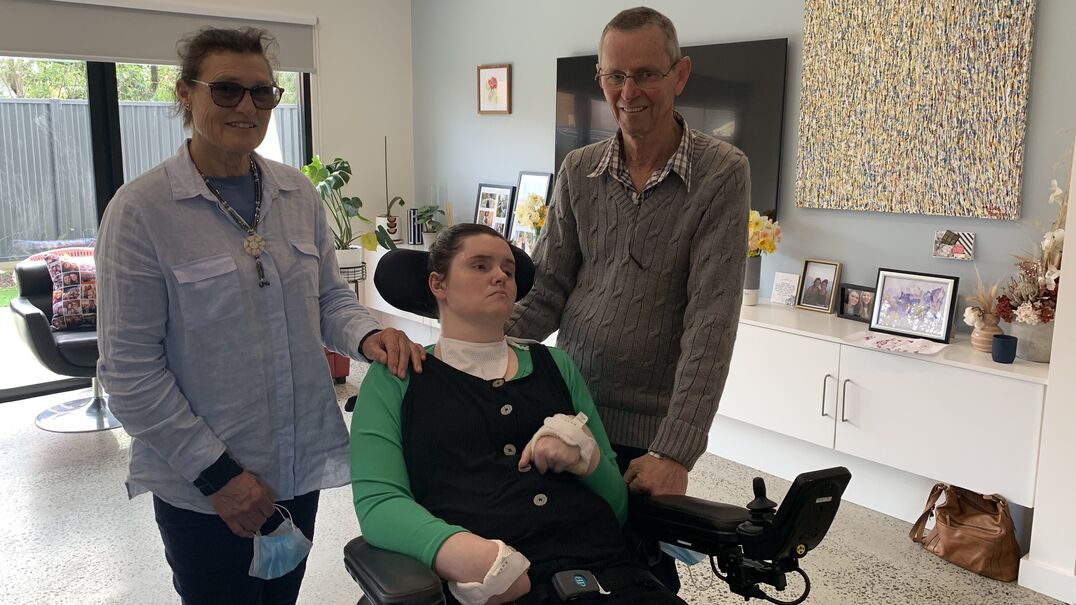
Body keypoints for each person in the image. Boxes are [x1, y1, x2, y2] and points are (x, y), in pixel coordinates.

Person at [96, 27, 423, 605]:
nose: (247, 106)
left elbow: (327, 299)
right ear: (185, 95)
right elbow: (129, 374)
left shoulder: (297, 194)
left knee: (281, 598)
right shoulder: (141, 212)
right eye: (226, 90)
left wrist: (370, 335)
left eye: (263, 93)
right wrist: (221, 479)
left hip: (296, 468)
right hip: (205, 487)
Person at [351, 224, 687, 605]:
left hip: (611, 577)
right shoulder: (397, 377)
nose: (499, 276)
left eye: (507, 271)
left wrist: (587, 459)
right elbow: (379, 503)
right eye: (480, 266)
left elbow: (617, 509)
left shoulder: (556, 366)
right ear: (438, 285)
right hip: (494, 590)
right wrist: (471, 556)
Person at [506, 6, 749, 498]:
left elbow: (711, 323)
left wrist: (675, 452)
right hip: (568, 403)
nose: (628, 92)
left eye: (645, 75)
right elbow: (547, 288)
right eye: (615, 75)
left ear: (680, 74)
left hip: (648, 429)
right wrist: (468, 351)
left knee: (643, 568)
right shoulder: (578, 169)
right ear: (600, 77)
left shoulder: (721, 172)